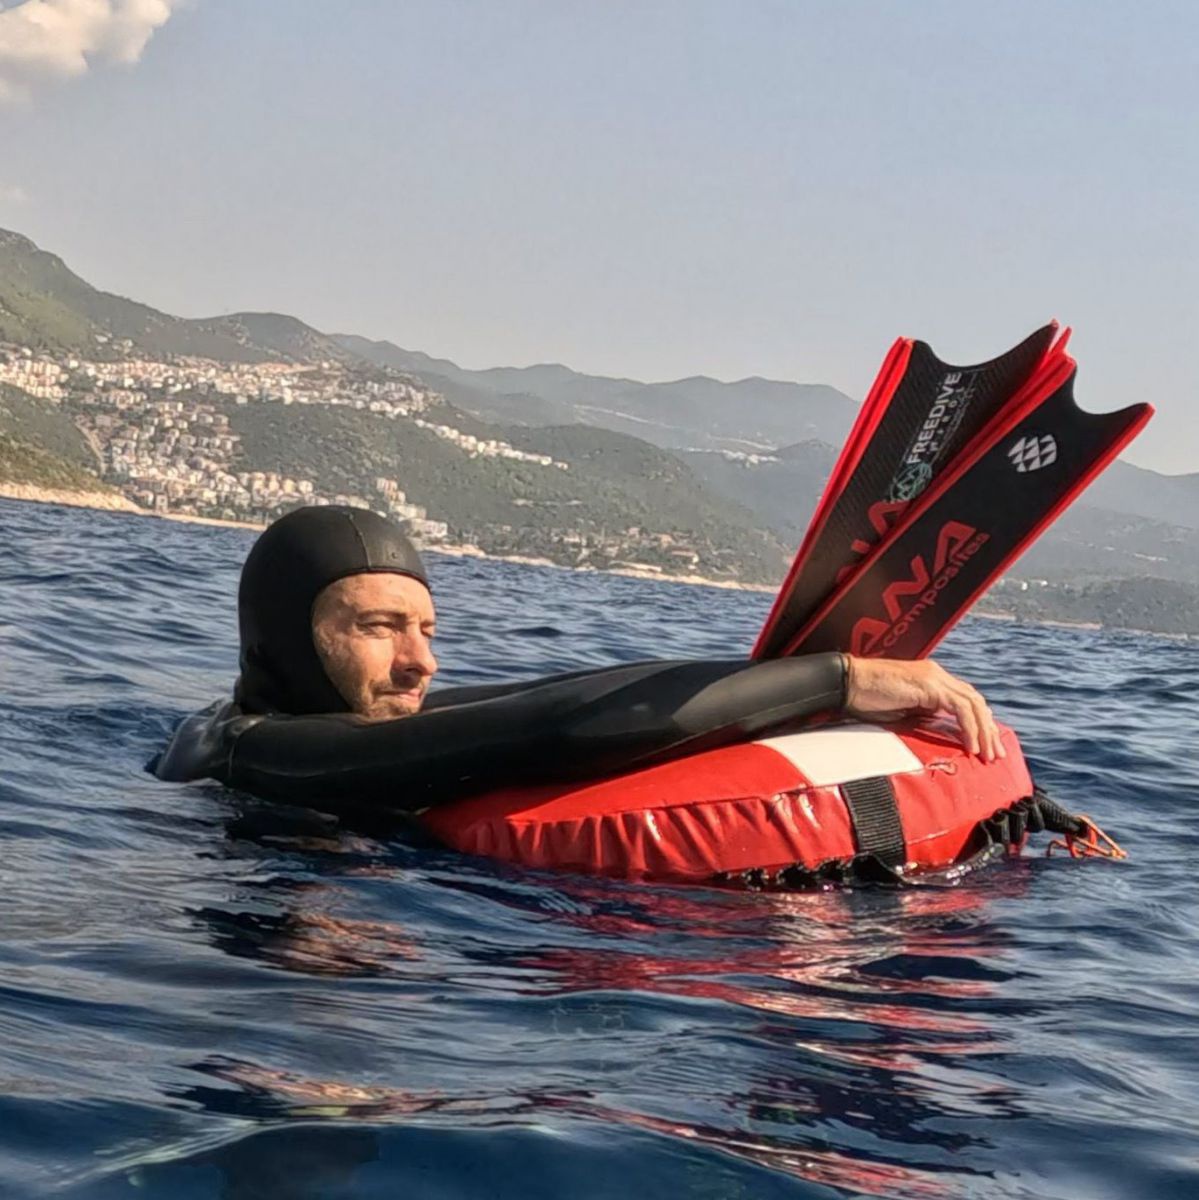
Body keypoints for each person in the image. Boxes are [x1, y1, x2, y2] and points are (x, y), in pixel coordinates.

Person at [155, 506, 1003, 816]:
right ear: (282, 640)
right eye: (380, 628)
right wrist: (840, 677)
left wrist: (768, 683)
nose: (422, 664)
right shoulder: (260, 752)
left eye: (429, 630)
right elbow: (567, 731)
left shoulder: (319, 715)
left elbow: (561, 692)